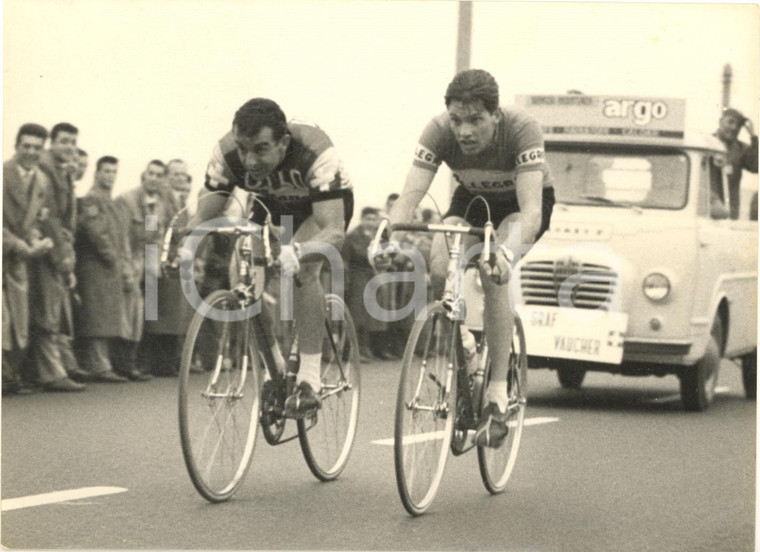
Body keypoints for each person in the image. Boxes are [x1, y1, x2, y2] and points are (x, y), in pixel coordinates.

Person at [378, 69, 555, 447]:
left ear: (496, 115)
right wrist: (388, 233)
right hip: (472, 198)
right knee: (440, 263)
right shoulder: (438, 130)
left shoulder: (523, 128)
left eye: (476, 120)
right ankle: (466, 345)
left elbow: (531, 212)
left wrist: (506, 253)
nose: (465, 131)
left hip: (520, 205)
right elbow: (410, 196)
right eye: (457, 121)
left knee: (494, 275)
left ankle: (496, 394)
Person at [187, 97, 354, 416]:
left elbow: (333, 231)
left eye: (260, 149)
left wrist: (301, 250)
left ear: (284, 143)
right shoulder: (226, 153)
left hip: (317, 209)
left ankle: (309, 378)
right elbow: (204, 217)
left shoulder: (315, 151)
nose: (248, 161)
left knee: (305, 272)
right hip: (269, 206)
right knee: (243, 277)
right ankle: (276, 367)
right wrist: (178, 246)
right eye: (242, 148)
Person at [74, 156, 150, 382]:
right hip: (99, 266)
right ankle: (102, 365)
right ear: (97, 173)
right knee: (99, 317)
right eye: (106, 171)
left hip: (125, 265)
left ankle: (122, 363)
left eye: (113, 171)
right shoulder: (92, 200)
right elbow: (98, 234)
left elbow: (132, 237)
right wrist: (118, 261)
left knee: (119, 316)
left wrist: (127, 264)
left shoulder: (118, 204)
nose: (110, 175)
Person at [29, 122, 88, 391]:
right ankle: (53, 371)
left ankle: (59, 366)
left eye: (73, 143)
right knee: (49, 310)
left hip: (61, 246)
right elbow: (52, 215)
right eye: (64, 141)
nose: (69, 147)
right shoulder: (48, 169)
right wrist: (63, 254)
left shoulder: (62, 172)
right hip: (49, 247)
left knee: (55, 309)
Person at [115, 159, 183, 376]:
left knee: (150, 314)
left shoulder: (162, 201)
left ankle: (146, 363)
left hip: (152, 261)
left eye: (158, 175)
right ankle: (127, 363)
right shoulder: (128, 199)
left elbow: (157, 234)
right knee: (134, 311)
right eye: (150, 173)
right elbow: (125, 236)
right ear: (144, 175)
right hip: (132, 259)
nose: (153, 178)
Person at [2, 123, 55, 394]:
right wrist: (22, 245)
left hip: (18, 262)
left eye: (37, 147)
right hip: (5, 253)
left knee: (17, 321)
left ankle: (8, 376)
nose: (31, 152)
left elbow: (32, 222)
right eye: (26, 146)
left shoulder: (41, 180)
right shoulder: (3, 174)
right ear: (16, 146)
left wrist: (36, 240)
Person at [342, 207, 385, 362]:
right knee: (356, 314)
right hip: (357, 276)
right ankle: (352, 351)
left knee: (368, 315)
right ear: (362, 219)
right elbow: (349, 257)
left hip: (370, 276)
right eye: (368, 219)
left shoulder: (375, 238)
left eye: (374, 219)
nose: (371, 223)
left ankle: (365, 349)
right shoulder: (353, 236)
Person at [714, 107, 758, 219]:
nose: (734, 128)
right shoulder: (706, 143)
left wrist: (753, 137)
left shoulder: (741, 149)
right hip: (708, 209)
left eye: (738, 125)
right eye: (730, 122)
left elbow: (756, 166)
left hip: (731, 212)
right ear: (720, 121)